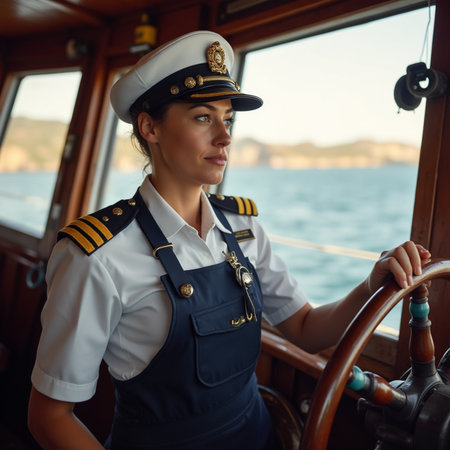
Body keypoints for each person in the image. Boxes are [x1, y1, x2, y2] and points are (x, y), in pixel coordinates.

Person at [27, 30, 431, 450]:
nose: (225, 136)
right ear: (150, 127)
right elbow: (49, 415)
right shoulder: (97, 256)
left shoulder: (243, 228)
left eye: (229, 119)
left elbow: (306, 328)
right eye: (203, 117)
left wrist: (369, 286)